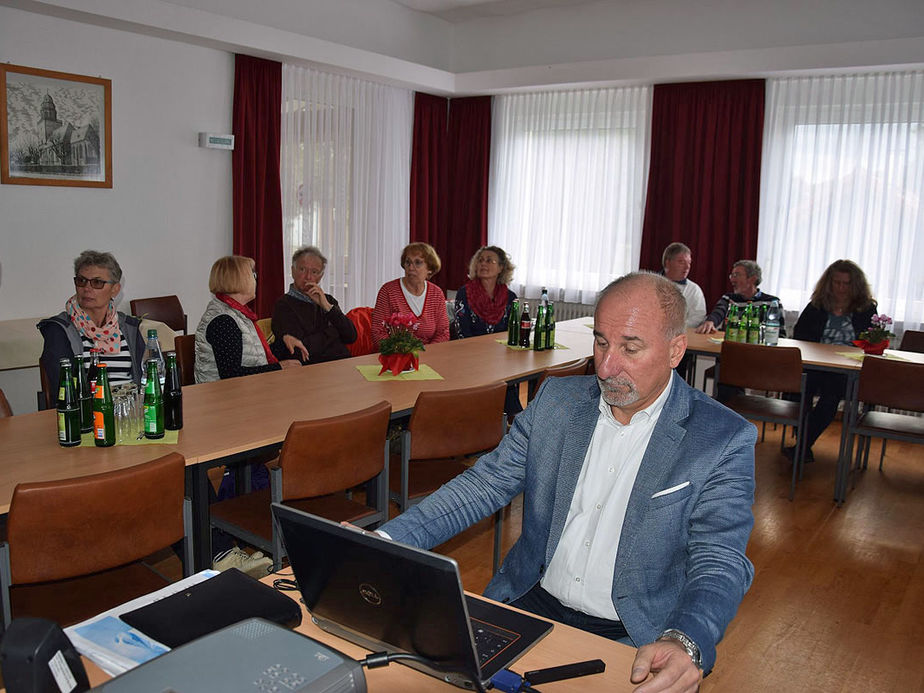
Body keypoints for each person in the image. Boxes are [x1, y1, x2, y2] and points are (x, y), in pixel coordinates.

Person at [378, 272, 756, 691]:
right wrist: (387, 542)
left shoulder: (721, 438)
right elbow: (482, 485)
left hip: (634, 634)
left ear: (675, 350)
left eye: (631, 348)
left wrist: (687, 639)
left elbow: (720, 560)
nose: (607, 366)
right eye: (601, 342)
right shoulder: (557, 401)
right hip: (530, 603)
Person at [788, 259, 877, 462]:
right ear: (829, 283)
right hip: (815, 365)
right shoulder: (816, 306)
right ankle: (803, 446)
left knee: (830, 397)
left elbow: (871, 340)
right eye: (837, 282)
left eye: (846, 284)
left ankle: (802, 446)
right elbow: (800, 334)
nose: (841, 288)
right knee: (799, 391)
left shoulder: (866, 309)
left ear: (855, 286)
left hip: (847, 370)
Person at [38, 250, 144, 389]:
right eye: (81, 281)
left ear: (115, 289)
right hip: (86, 408)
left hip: (129, 405)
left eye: (97, 282)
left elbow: (146, 377)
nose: (87, 288)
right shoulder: (59, 330)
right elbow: (63, 387)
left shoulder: (129, 327)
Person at [194, 256, 300, 383]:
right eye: (253, 275)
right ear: (240, 280)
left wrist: (283, 343)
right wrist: (279, 367)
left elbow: (253, 357)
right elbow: (231, 375)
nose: (256, 280)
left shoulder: (237, 313)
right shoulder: (223, 320)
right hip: (220, 396)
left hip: (244, 389)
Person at [270, 246, 357, 364]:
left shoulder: (328, 300)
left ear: (320, 276)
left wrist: (327, 307)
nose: (308, 277)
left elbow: (351, 336)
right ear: (292, 271)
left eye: (314, 272)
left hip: (340, 366)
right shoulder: (283, 305)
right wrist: (334, 332)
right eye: (302, 269)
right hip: (309, 371)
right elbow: (299, 351)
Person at [371, 242, 450, 346]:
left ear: (429, 269)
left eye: (417, 263)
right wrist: (401, 352)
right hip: (394, 356)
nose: (411, 268)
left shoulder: (436, 293)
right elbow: (377, 332)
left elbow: (443, 333)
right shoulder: (388, 291)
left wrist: (427, 353)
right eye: (408, 262)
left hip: (429, 355)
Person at [695, 260, 784, 334]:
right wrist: (710, 321)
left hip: (759, 352)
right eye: (732, 275)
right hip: (730, 349)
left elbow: (780, 335)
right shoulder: (728, 298)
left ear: (752, 279)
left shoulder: (772, 302)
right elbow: (718, 313)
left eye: (736, 275)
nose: (732, 279)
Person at [454, 246, 518, 338]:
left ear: (501, 268)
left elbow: (512, 332)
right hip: (471, 348)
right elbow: (462, 331)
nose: (483, 264)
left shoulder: (511, 297)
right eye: (480, 260)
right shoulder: (464, 293)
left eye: (489, 261)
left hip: (500, 348)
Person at [660, 242, 706, 328]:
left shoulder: (694, 290)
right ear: (667, 263)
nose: (687, 267)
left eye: (689, 263)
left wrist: (674, 328)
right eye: (681, 262)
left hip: (680, 334)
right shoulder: (650, 283)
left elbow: (698, 316)